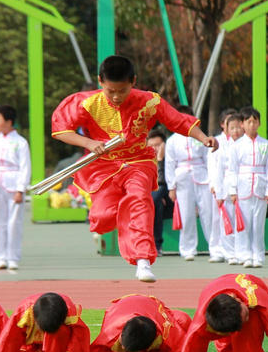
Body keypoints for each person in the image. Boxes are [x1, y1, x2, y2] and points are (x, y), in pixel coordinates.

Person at [51, 56, 217, 282]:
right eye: (111, 91)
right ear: (100, 82)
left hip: (138, 162)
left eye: (122, 91)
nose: (117, 97)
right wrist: (89, 143)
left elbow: (178, 121)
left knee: (140, 200)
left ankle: (143, 261)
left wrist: (203, 137)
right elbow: (61, 129)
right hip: (104, 165)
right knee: (101, 218)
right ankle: (119, 213)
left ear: (133, 82)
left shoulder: (150, 101)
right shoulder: (86, 103)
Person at [86, 294, 192, 352]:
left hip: (150, 307)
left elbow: (181, 349)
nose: (122, 348)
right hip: (121, 308)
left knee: (183, 320)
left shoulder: (166, 330)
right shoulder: (110, 333)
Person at [0, 292, 89, 352]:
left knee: (61, 332)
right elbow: (9, 342)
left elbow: (80, 342)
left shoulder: (69, 313)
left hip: (57, 344)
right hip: (32, 345)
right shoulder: (23, 313)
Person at [0, 105, 30, 270]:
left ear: (8, 122)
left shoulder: (20, 142)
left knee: (14, 222)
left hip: (13, 182)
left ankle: (13, 257)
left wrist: (20, 189)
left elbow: (25, 167)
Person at [227, 107, 268, 268]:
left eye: (255, 121)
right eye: (249, 121)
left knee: (258, 224)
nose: (252, 125)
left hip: (260, 187)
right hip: (243, 188)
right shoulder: (236, 146)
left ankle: (258, 255)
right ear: (242, 124)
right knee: (243, 224)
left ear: (259, 123)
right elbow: (232, 169)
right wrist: (232, 190)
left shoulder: (265, 144)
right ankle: (245, 255)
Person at [165, 106, 213, 260]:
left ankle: (215, 248)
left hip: (201, 175)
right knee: (186, 214)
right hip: (183, 177)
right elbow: (169, 164)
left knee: (208, 212)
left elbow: (208, 159)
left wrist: (212, 180)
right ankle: (187, 249)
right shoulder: (172, 140)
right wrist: (171, 186)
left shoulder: (200, 136)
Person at [215, 112, 244, 264]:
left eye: (238, 127)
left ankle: (241, 252)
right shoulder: (223, 147)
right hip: (226, 188)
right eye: (232, 128)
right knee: (227, 221)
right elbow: (218, 171)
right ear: (227, 129)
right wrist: (219, 194)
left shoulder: (246, 145)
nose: (236, 131)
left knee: (242, 221)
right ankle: (229, 253)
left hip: (243, 186)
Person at [147, 129, 171, 255]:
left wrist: (160, 160)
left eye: (157, 145)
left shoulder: (171, 158)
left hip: (171, 198)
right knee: (156, 203)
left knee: (155, 198)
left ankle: (155, 244)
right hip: (154, 199)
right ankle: (155, 245)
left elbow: (165, 182)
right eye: (151, 146)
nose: (154, 149)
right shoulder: (144, 161)